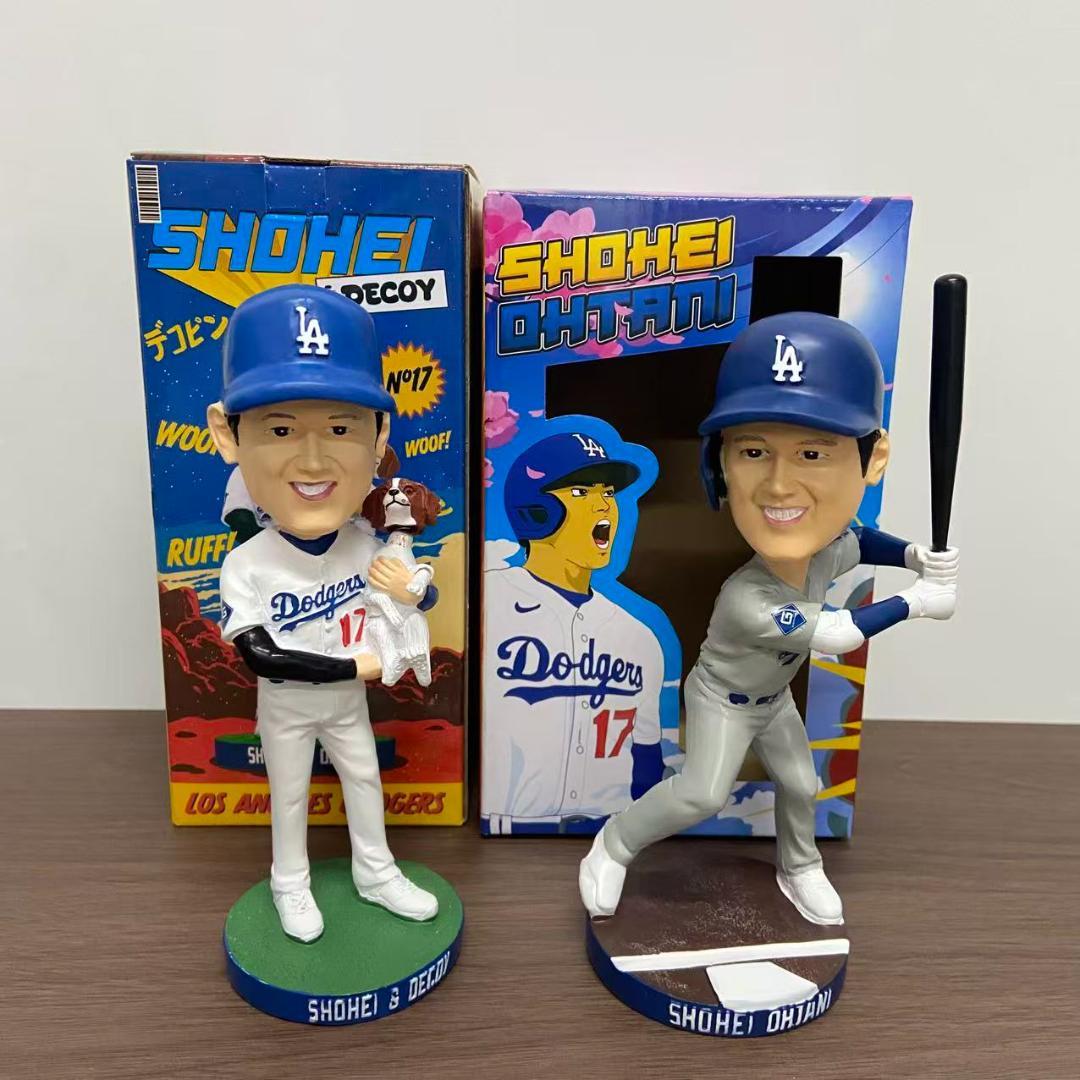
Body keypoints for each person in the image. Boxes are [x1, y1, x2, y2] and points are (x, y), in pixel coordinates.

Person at [580, 312, 959, 925]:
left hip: (773, 698)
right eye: (754, 451)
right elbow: (836, 634)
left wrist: (917, 556)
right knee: (702, 794)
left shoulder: (822, 549)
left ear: (872, 458)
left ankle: (800, 866)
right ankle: (614, 845)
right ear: (718, 467)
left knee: (802, 785)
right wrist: (916, 601)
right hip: (722, 700)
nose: (780, 485)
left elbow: (862, 542)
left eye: (812, 453)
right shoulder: (747, 596)